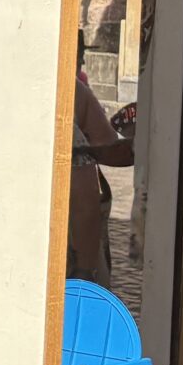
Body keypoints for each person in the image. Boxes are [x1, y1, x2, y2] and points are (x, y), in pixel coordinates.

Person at [67, 53, 138, 286]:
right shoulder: (69, 99)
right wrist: (85, 270)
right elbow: (84, 203)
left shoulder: (75, 93)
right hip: (73, 268)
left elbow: (109, 146)